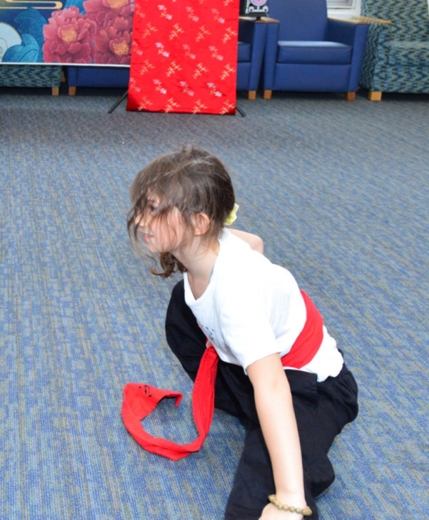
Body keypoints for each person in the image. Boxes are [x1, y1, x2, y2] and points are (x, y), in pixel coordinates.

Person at [123, 146, 358, 519]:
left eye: (154, 210)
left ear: (199, 222)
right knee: (180, 311)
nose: (139, 219)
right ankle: (284, 439)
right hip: (265, 369)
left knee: (253, 510)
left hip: (314, 387)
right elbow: (255, 244)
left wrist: (290, 498)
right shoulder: (215, 243)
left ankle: (302, 460)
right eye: (143, 205)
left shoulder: (236, 296)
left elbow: (274, 386)